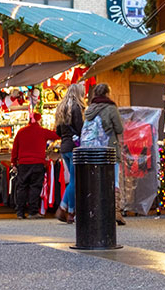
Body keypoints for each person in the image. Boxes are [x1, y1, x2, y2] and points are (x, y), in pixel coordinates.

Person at [83, 83, 126, 226]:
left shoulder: (89, 110)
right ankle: (115, 213)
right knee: (114, 181)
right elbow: (119, 128)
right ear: (107, 93)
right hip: (109, 149)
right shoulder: (111, 108)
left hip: (92, 151)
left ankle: (96, 212)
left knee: (96, 181)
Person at [10, 112, 58, 219]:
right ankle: (32, 211)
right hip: (37, 163)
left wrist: (13, 162)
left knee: (22, 187)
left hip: (23, 164)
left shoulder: (21, 132)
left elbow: (15, 149)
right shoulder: (42, 131)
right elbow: (56, 135)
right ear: (39, 120)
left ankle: (20, 212)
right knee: (35, 187)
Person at [54, 83, 86, 224]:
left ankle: (68, 210)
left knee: (72, 181)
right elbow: (80, 129)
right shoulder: (76, 108)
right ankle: (66, 209)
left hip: (64, 147)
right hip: (74, 147)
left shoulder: (61, 108)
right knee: (74, 181)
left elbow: (58, 132)